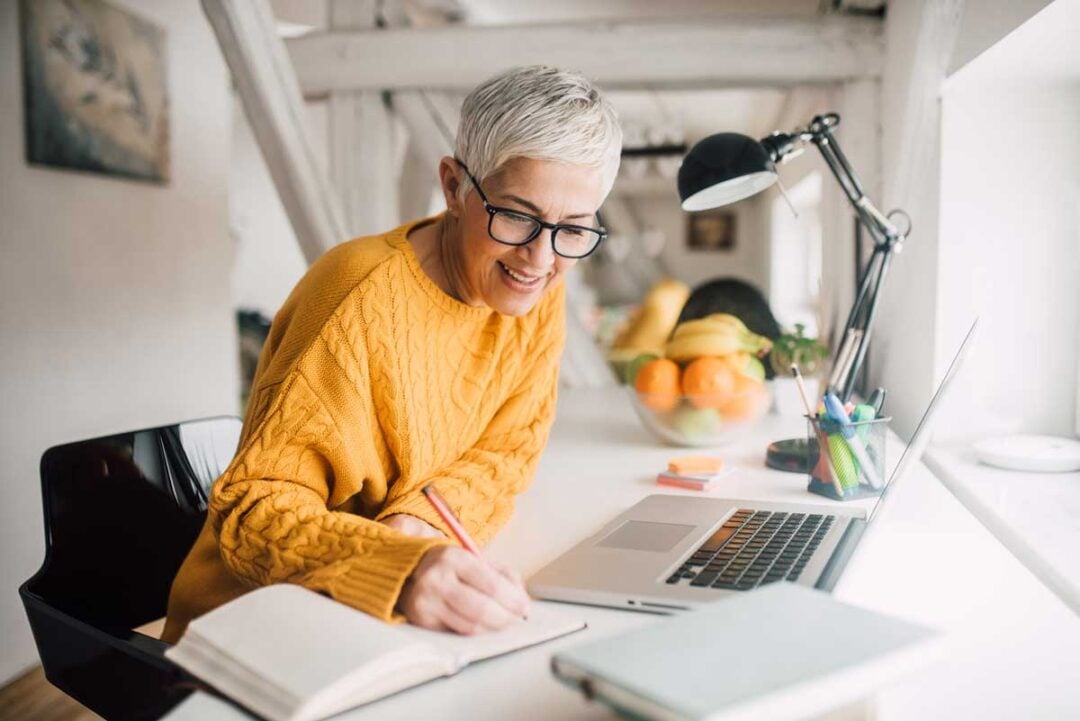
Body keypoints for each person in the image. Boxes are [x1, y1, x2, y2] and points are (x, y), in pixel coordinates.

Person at [161, 66, 622, 642]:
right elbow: (253, 511)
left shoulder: (537, 287)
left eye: (574, 229)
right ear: (454, 187)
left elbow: (508, 448)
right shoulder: (356, 298)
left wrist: (420, 524)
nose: (539, 258)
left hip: (380, 622)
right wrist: (395, 564)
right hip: (248, 628)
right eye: (516, 216)